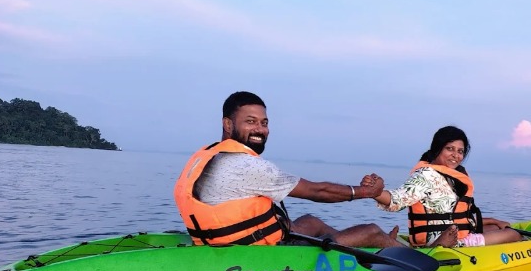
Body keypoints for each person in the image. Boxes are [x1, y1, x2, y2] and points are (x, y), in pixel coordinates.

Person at [174, 91, 407, 248]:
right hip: (255, 255)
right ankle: (408, 256)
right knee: (372, 229)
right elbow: (318, 191)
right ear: (228, 124)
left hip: (220, 242)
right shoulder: (245, 164)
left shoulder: (206, 156)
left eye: (264, 123)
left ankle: (357, 252)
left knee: (311, 222)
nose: (260, 129)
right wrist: (368, 192)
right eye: (250, 121)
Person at [369, 125, 522, 247]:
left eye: (460, 151)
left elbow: (455, 217)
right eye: (450, 149)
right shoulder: (427, 175)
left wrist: (493, 220)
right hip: (446, 242)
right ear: (438, 148)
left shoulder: (450, 177)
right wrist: (375, 192)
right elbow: (397, 199)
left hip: (452, 234)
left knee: (496, 228)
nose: (456, 155)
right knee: (514, 234)